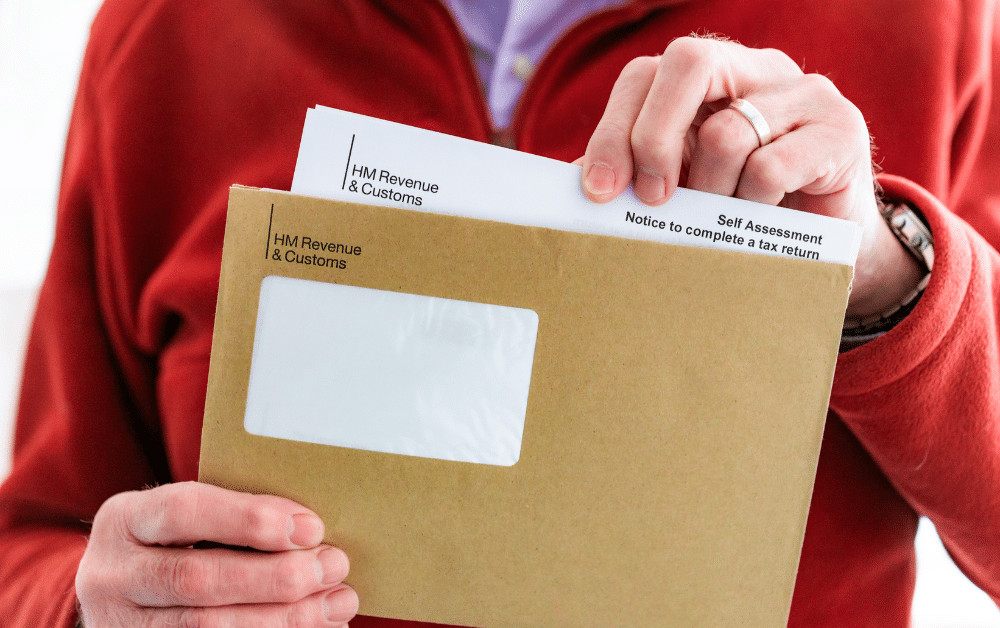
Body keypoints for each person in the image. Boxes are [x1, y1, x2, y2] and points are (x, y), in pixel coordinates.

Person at [1, 0, 998, 626]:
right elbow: (36, 537)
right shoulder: (167, 35)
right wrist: (90, 606)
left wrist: (884, 268)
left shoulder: (927, 23)